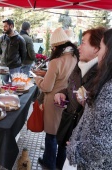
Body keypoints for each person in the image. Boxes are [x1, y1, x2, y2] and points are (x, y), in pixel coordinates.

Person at [54, 27, 106, 170]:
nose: (79, 47)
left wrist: (88, 104)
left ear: (97, 48)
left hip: (83, 140)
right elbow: (71, 87)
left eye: (83, 43)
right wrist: (63, 93)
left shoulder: (102, 76)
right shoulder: (79, 66)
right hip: (70, 126)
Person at [66, 28, 112, 170]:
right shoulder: (80, 67)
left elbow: (102, 145)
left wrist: (74, 150)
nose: (79, 46)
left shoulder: (108, 88)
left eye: (102, 48)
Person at [34, 27, 79, 170]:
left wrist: (37, 79)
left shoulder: (56, 62)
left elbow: (47, 87)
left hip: (53, 102)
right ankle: (58, 165)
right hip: (68, 102)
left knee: (51, 135)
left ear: (57, 46)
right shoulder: (75, 57)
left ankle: (48, 164)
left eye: (53, 47)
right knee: (64, 137)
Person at [0, 19, 26, 83]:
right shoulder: (2, 38)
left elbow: (23, 54)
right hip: (3, 66)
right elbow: (0, 52)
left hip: (15, 67)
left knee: (16, 86)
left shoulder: (20, 39)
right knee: (3, 86)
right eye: (3, 26)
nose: (4, 28)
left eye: (5, 26)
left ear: (11, 26)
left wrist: (18, 63)